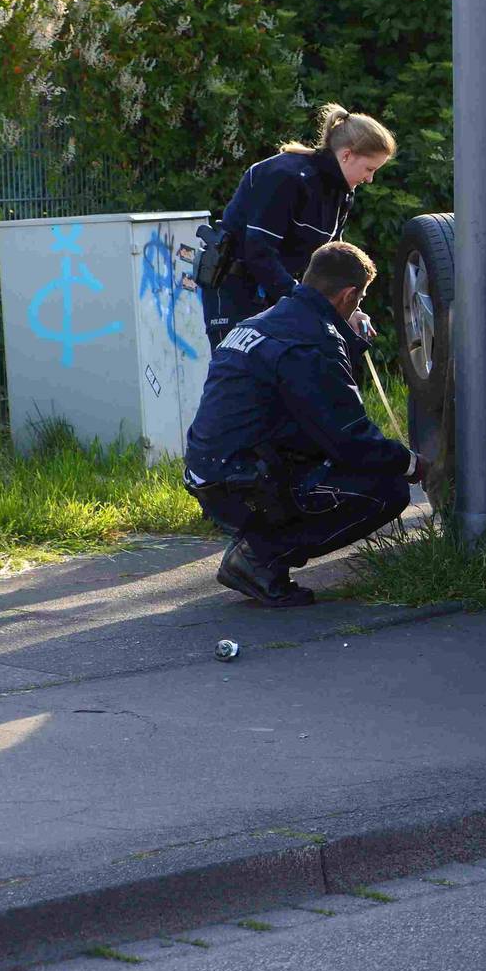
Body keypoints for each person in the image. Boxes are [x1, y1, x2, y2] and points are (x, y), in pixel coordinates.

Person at [185, 242, 426, 607]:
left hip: (214, 472)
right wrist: (413, 463)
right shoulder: (313, 343)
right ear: (348, 294)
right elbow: (351, 440)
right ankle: (260, 557)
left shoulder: (269, 320)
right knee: (387, 490)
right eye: (358, 301)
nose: (358, 308)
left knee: (333, 459)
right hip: (241, 484)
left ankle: (257, 540)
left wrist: (348, 340)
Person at [204, 104, 395, 347]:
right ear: (346, 155)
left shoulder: (343, 193)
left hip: (278, 289)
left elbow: (332, 262)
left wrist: (349, 310)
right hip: (234, 286)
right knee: (241, 376)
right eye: (370, 169)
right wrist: (305, 302)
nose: (370, 179)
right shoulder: (285, 176)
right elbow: (259, 251)